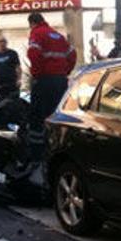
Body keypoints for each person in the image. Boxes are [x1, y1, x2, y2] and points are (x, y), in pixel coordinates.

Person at [26, 12, 77, 162]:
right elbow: (72, 54)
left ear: (32, 23)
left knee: (37, 117)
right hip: (60, 82)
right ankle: (56, 149)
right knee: (56, 116)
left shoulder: (36, 33)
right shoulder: (57, 35)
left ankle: (37, 154)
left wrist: (37, 74)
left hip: (44, 81)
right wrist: (64, 71)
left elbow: (34, 54)